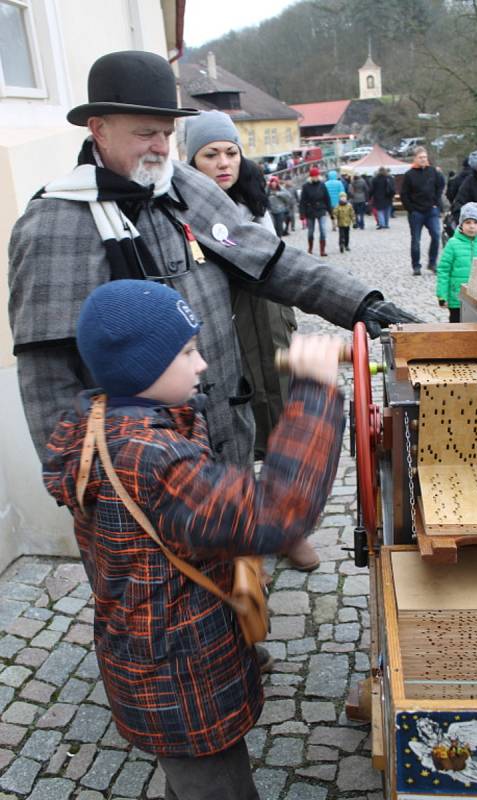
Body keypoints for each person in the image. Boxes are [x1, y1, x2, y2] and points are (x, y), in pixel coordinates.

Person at [9, 49, 415, 475]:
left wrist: (361, 304)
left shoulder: (186, 188)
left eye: (167, 133)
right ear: (99, 130)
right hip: (135, 470)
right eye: (146, 133)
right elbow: (47, 375)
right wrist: (78, 478)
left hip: (226, 442)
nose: (160, 148)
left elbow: (270, 261)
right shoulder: (52, 224)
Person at [43, 278, 345, 800]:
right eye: (187, 352)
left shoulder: (101, 423)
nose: (203, 363)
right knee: (214, 784)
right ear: (143, 370)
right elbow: (278, 512)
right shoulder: (153, 458)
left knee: (188, 775)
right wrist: (315, 390)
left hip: (149, 656)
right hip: (181, 674)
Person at [184, 110, 317, 571]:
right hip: (220, 321)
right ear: (191, 160)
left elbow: (280, 262)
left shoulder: (255, 200)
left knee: (280, 415)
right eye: (210, 154)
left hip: (270, 316)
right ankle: (241, 540)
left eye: (230, 152)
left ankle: (286, 526)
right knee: (231, 425)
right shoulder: (179, 207)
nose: (223, 163)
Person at [436, 202, 477, 323]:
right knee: (457, 329)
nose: (472, 226)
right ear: (461, 224)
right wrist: (442, 295)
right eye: (468, 222)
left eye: (476, 222)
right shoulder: (452, 243)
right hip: (457, 298)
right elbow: (443, 270)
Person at [400, 147, 445, 275]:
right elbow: (404, 194)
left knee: (436, 235)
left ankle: (432, 262)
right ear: (415, 158)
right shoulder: (409, 175)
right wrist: (411, 208)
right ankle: (416, 266)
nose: (423, 160)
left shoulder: (433, 171)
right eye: (420, 157)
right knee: (416, 240)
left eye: (425, 157)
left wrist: (436, 202)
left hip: (431, 210)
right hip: (416, 212)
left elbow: (440, 185)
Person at [299, 166, 332, 256]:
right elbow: (302, 201)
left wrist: (331, 212)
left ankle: (322, 250)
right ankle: (310, 248)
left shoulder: (322, 185)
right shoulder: (306, 186)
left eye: (316, 176)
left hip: (321, 210)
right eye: (314, 176)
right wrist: (302, 213)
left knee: (323, 229)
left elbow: (327, 198)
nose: (315, 178)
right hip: (310, 211)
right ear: (311, 177)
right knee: (311, 231)